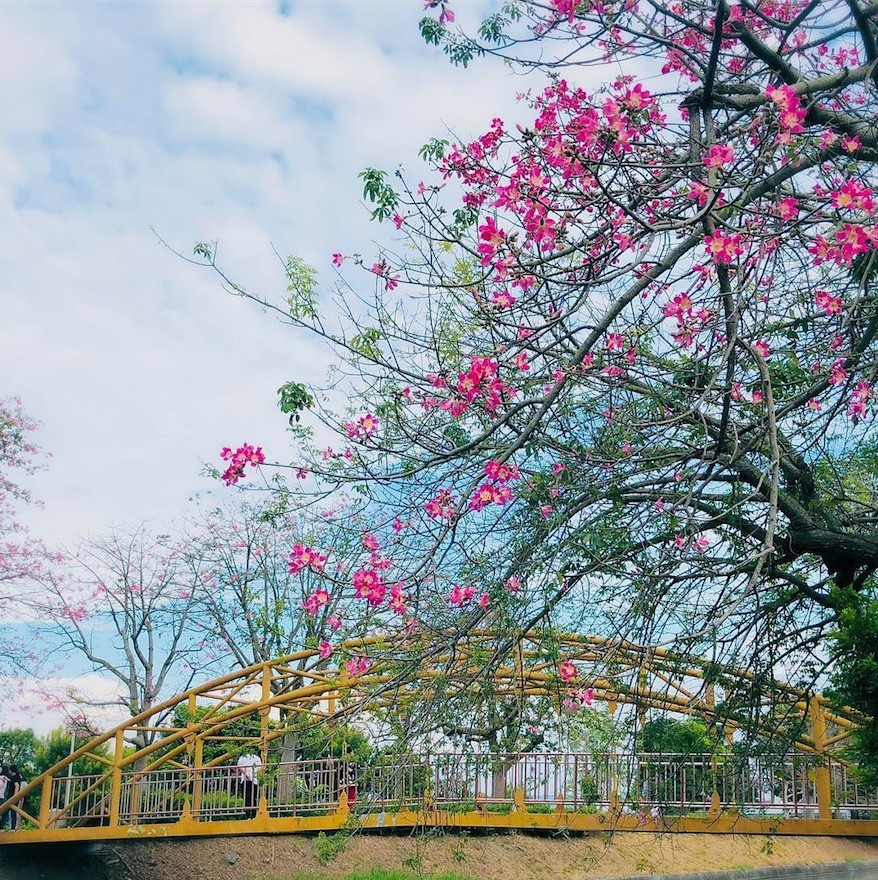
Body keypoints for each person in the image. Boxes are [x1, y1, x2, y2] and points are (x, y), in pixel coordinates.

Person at [236, 753, 262, 819]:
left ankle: (247, 815)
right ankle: (253, 815)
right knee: (254, 798)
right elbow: (260, 768)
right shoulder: (257, 758)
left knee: (247, 797)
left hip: (245, 780)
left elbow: (239, 765)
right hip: (254, 780)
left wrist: (246, 773)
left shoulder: (242, 757)